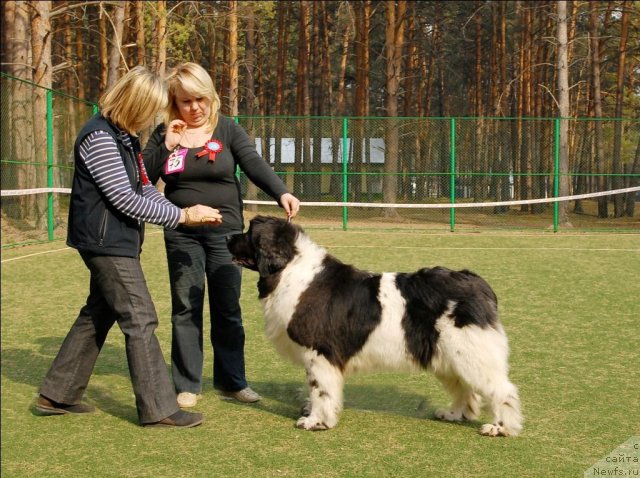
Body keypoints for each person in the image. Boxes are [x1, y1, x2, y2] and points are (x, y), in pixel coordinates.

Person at [35, 66, 223, 428]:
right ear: (132, 102)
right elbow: (123, 198)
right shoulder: (100, 137)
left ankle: (55, 394)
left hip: (117, 240)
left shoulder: (125, 137)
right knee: (140, 317)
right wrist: (182, 217)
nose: (151, 116)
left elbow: (144, 188)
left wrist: (181, 211)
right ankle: (159, 409)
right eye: (148, 108)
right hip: (105, 243)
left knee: (98, 313)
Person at [142, 62, 300, 408]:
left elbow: (254, 163)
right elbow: (143, 175)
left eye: (199, 98)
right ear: (175, 102)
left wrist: (281, 192)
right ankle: (187, 384)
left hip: (226, 235)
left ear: (210, 97)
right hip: (182, 231)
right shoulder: (165, 132)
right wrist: (168, 143)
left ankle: (232, 382)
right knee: (186, 307)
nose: (194, 107)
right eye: (185, 101)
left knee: (227, 308)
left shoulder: (227, 129)